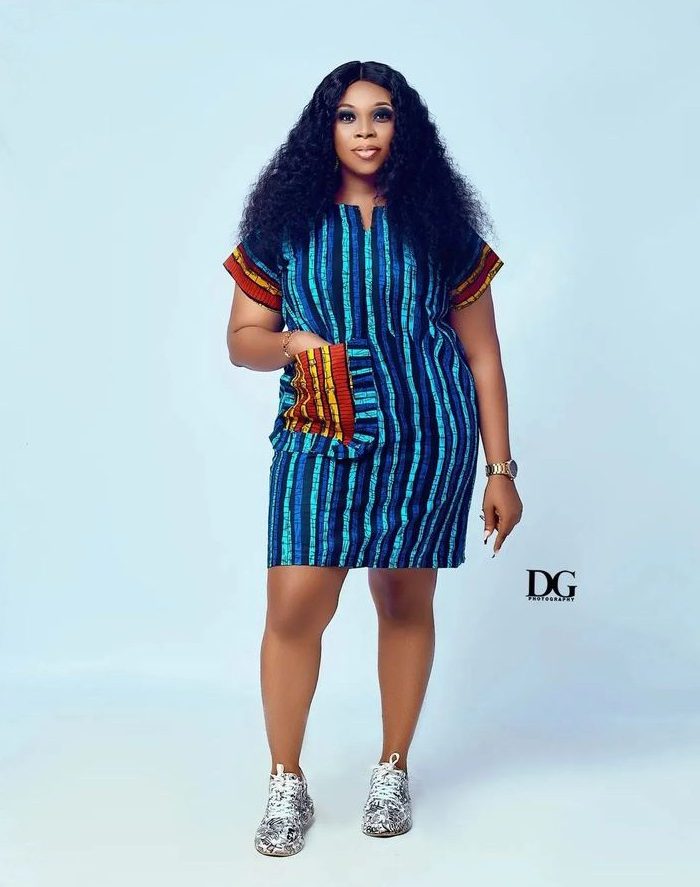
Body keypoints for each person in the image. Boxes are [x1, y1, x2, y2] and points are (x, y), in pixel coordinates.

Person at [223, 60, 523, 857]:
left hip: (428, 434)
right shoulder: (283, 226)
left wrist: (499, 469)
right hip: (318, 430)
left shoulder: (441, 228)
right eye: (348, 116)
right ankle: (286, 779)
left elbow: (483, 356)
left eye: (381, 115)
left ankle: (393, 767)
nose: (364, 131)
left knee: (403, 598)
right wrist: (295, 343)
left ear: (403, 127)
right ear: (323, 129)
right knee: (295, 606)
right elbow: (242, 340)